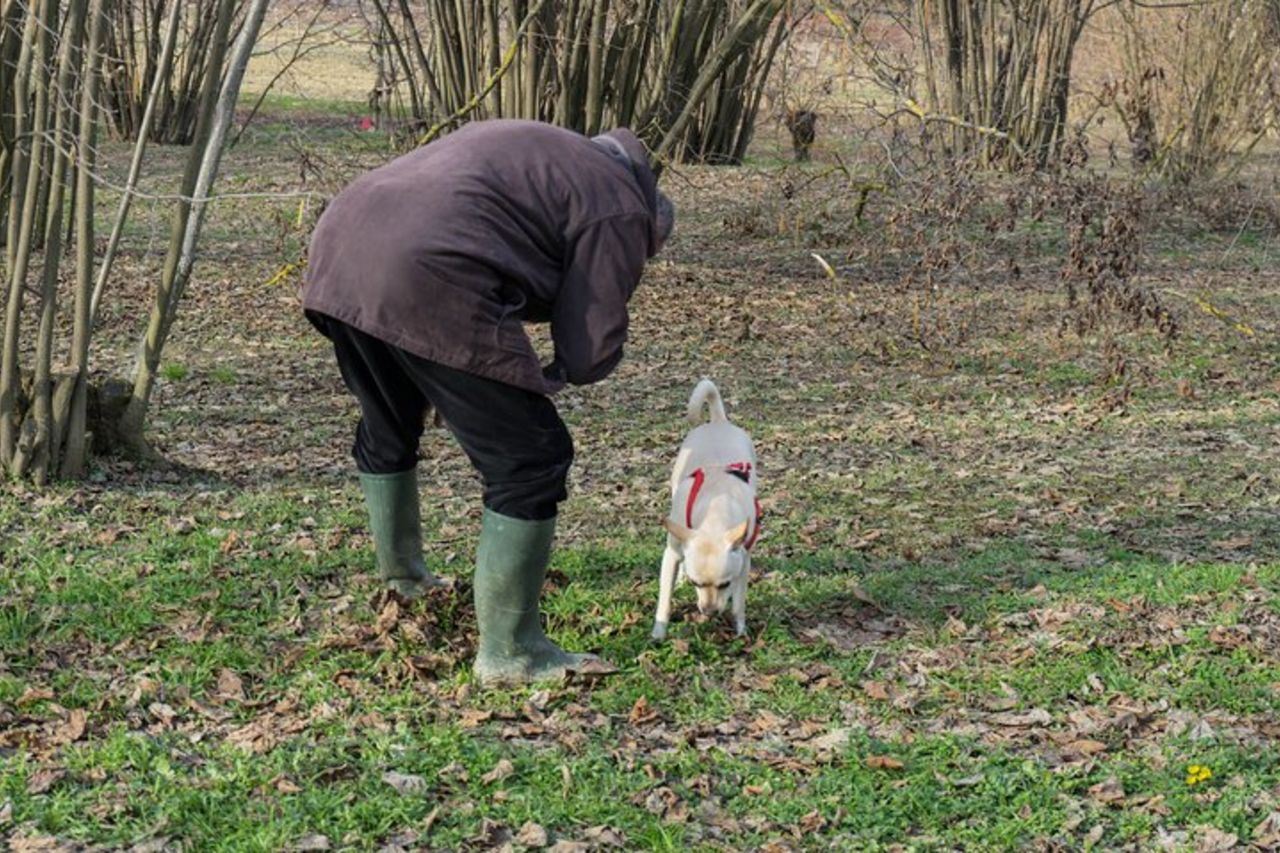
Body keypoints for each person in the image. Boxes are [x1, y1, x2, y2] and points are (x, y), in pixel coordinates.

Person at [301, 119, 674, 687]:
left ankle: (403, 584)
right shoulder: (619, 206)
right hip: (426, 268)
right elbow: (591, 345)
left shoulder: (549, 151)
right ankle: (512, 654)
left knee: (390, 422)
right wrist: (550, 373)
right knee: (531, 457)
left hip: (339, 248)